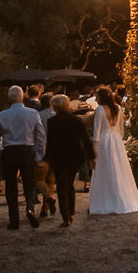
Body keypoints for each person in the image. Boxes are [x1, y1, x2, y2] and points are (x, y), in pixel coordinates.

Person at [0, 85, 46, 229]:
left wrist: (0, 151)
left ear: (9, 98)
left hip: (9, 151)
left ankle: (14, 220)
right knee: (29, 183)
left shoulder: (2, 115)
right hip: (27, 150)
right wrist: (39, 153)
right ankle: (30, 208)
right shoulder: (33, 113)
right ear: (23, 96)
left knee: (10, 187)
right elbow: (40, 136)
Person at [89, 89, 138, 214]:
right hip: (116, 140)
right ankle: (121, 197)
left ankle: (107, 199)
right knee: (118, 169)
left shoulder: (100, 110)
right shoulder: (118, 108)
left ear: (101, 97)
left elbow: (97, 131)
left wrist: (94, 148)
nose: (95, 99)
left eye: (97, 97)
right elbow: (121, 130)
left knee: (105, 169)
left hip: (104, 140)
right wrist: (118, 142)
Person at [45, 94, 96, 226]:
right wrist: (91, 156)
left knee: (61, 186)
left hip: (58, 156)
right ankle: (71, 210)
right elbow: (84, 139)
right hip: (74, 155)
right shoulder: (76, 120)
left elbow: (50, 142)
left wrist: (46, 157)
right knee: (70, 183)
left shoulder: (52, 122)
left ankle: (66, 216)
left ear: (55, 106)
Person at [35, 94, 57, 217]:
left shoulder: (38, 115)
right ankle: (46, 206)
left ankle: (48, 200)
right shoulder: (55, 115)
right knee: (50, 180)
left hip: (41, 150)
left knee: (39, 179)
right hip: (53, 151)